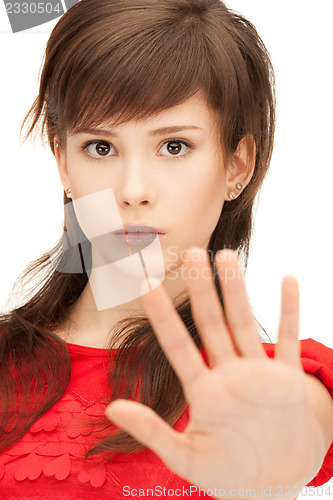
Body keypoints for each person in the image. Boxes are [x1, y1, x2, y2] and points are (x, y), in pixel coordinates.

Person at [1, 0, 333, 498]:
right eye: (100, 147)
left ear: (236, 167)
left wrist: (283, 450)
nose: (133, 189)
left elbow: (298, 431)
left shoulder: (274, 385)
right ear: (64, 165)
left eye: (174, 146)